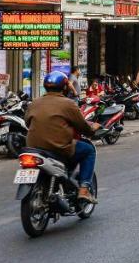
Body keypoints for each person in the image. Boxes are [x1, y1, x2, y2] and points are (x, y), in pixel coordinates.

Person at [25, 71, 100, 202]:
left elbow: (27, 122)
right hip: (58, 148)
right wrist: (92, 129)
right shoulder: (68, 104)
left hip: (33, 148)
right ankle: (84, 189)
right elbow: (83, 126)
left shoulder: (34, 103)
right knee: (89, 150)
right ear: (65, 87)